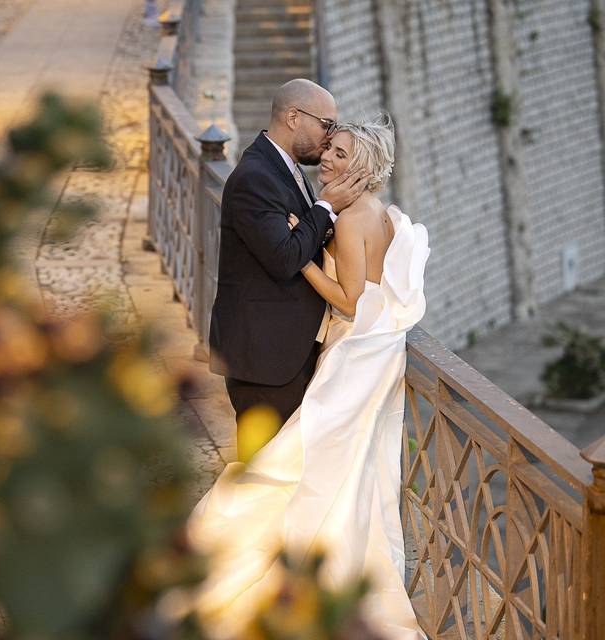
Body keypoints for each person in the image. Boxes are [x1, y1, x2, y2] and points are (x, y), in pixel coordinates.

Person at [188, 113, 430, 640]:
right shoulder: (381, 213)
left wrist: (302, 260)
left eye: (341, 153)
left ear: (363, 166)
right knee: (350, 465)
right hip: (375, 352)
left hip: (350, 348)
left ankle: (280, 562)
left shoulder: (348, 220)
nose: (328, 157)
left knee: (310, 459)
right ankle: (337, 562)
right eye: (329, 148)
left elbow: (348, 299)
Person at [208, 79, 370, 457]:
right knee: (263, 473)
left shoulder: (286, 168)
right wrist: (325, 207)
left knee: (284, 475)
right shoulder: (254, 177)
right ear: (294, 117)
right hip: (264, 359)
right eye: (326, 125)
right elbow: (283, 258)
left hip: (286, 352)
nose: (329, 139)